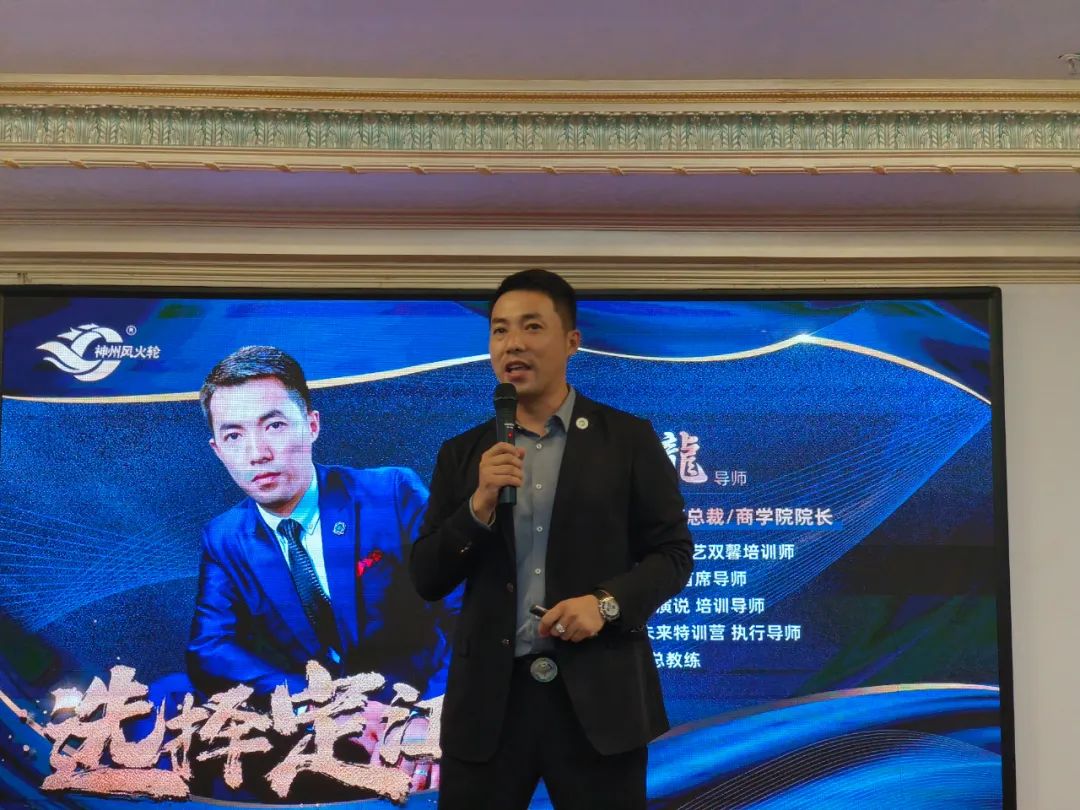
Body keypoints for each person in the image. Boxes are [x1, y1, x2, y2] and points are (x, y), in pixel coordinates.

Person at [410, 270, 693, 809]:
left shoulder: (627, 439)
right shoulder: (463, 454)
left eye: (531, 327)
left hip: (598, 703)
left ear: (571, 342)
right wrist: (479, 504)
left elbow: (673, 554)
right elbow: (427, 576)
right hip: (489, 706)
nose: (512, 343)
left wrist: (605, 604)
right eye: (499, 330)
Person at [187, 345, 456, 704]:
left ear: (312, 425)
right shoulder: (224, 538)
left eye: (274, 426)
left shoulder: (392, 494)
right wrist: (316, 703)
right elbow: (210, 648)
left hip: (417, 707)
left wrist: (429, 714)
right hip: (318, 721)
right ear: (218, 450)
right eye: (233, 436)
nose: (257, 453)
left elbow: (467, 610)